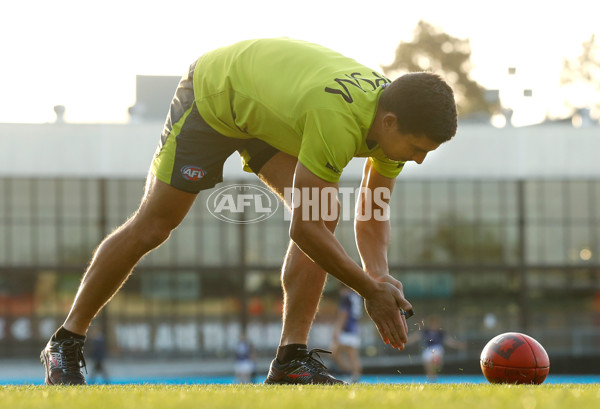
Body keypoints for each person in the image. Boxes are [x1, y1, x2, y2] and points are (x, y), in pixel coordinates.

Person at [40, 37, 457, 385]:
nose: (418, 160)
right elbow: (304, 231)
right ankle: (65, 341)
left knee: (322, 210)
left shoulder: (395, 120)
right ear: (388, 122)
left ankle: (290, 360)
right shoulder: (340, 121)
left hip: (268, 113)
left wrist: (380, 273)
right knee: (155, 225)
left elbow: (372, 209)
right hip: (214, 94)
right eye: (417, 148)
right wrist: (370, 291)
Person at [407, 315, 467, 381]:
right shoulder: (425, 332)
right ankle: (431, 380)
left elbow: (450, 342)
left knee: (435, 360)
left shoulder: (441, 333)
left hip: (437, 349)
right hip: (427, 350)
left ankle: (436, 365)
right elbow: (414, 338)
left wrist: (459, 345)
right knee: (428, 367)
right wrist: (404, 342)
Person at [331, 286, 363, 383]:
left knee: (335, 352)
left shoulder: (347, 297)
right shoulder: (356, 296)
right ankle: (354, 374)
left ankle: (353, 373)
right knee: (351, 354)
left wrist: (337, 330)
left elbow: (343, 314)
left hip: (347, 330)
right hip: (354, 328)